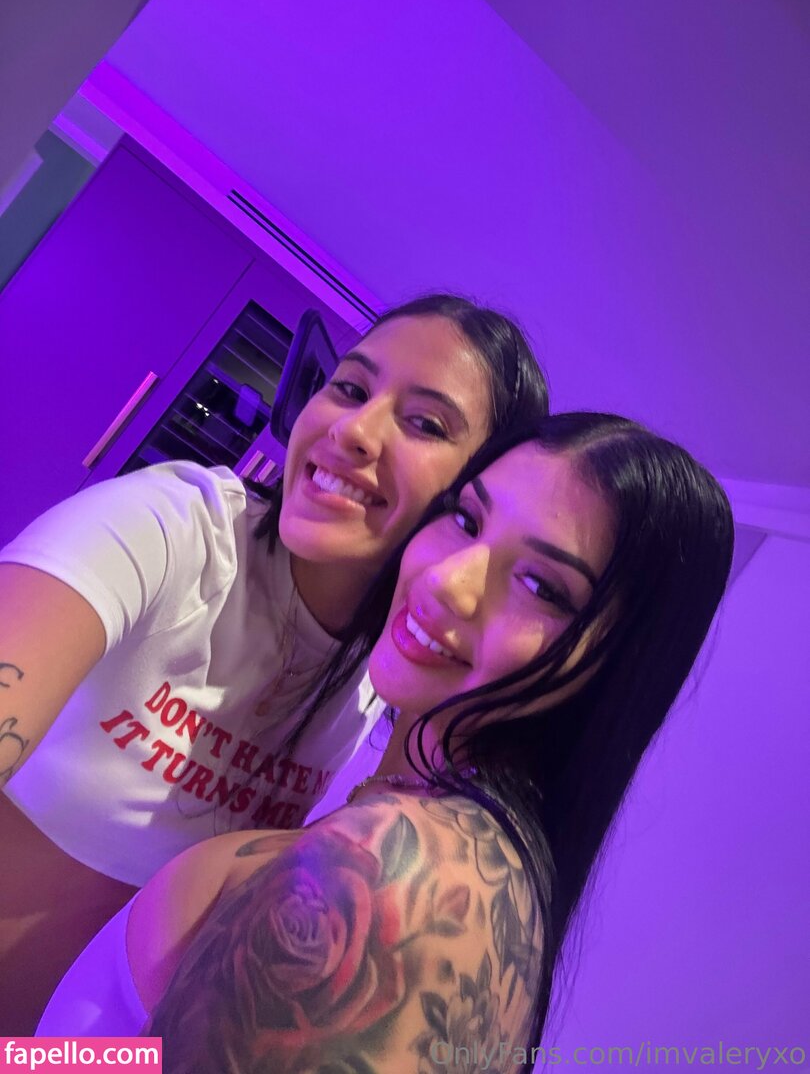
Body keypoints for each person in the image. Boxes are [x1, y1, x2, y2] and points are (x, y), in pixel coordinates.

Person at [37, 413, 734, 1073]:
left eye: (538, 585)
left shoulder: (395, 879)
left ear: (613, 667)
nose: (445, 581)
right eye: (466, 519)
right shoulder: (456, 840)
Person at [0, 293, 549, 1032]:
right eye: (349, 388)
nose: (352, 429)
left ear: (473, 504)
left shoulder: (386, 675)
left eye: (424, 424)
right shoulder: (173, 527)